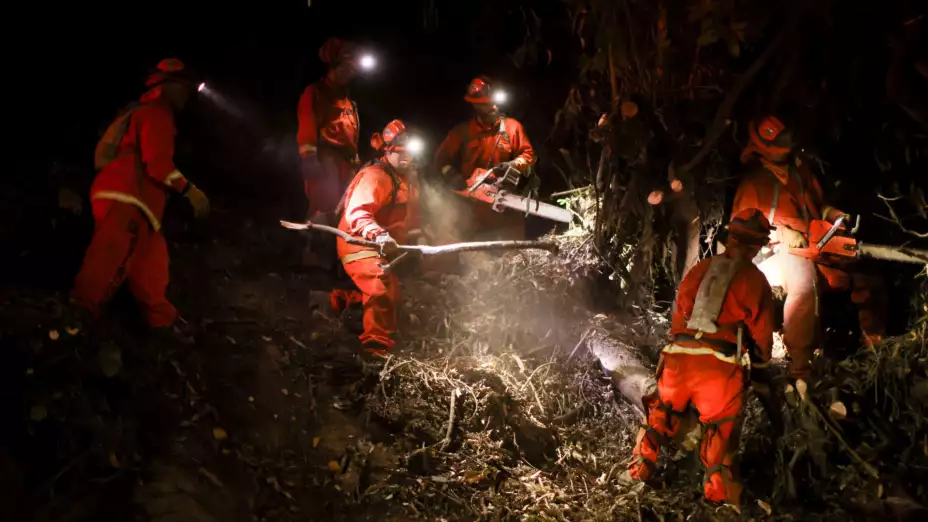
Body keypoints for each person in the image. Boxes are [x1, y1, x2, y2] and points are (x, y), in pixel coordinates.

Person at [622, 208, 776, 511]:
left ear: (729, 237)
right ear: (758, 245)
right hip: (718, 368)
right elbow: (762, 336)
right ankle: (720, 497)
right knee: (722, 430)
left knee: (659, 414)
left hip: (678, 359)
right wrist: (760, 372)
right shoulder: (755, 280)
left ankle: (639, 469)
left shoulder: (699, 269)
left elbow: (679, 315)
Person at [730, 115, 886, 382]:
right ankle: (801, 367)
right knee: (804, 282)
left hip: (814, 243)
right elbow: (741, 233)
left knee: (864, 273)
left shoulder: (800, 172)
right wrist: (780, 233)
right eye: (779, 142)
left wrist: (834, 214)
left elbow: (819, 204)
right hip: (774, 254)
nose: (786, 146)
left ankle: (876, 346)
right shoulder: (754, 184)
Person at [70, 58, 210, 339]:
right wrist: (190, 190)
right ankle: (72, 324)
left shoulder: (145, 111)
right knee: (107, 261)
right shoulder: (157, 112)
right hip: (127, 198)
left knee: (152, 273)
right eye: (182, 87)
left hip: (143, 208)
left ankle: (165, 328)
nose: (186, 95)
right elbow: (157, 163)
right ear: (166, 86)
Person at [335, 120, 422, 357]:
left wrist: (416, 237)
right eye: (398, 153)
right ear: (387, 151)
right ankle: (376, 350)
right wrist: (378, 234)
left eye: (409, 154)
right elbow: (357, 213)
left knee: (393, 299)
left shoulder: (406, 179)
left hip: (380, 247)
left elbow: (407, 216)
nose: (405, 158)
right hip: (357, 242)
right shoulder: (375, 176)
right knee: (378, 288)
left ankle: (338, 302)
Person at [433, 76, 536, 241]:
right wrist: (451, 174)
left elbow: (528, 155)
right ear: (476, 105)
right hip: (470, 210)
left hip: (505, 205)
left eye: (495, 102)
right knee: (473, 257)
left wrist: (512, 164)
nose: (494, 107)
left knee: (513, 254)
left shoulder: (512, 127)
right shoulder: (462, 133)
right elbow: (440, 159)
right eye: (487, 104)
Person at [297, 38, 363, 268]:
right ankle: (312, 260)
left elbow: (352, 135)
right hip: (325, 158)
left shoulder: (348, 101)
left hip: (345, 161)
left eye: (352, 69)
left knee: (342, 210)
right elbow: (307, 123)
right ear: (333, 67)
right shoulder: (315, 92)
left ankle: (335, 259)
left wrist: (355, 162)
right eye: (346, 68)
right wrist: (309, 156)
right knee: (321, 207)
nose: (349, 73)